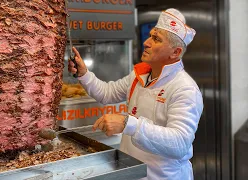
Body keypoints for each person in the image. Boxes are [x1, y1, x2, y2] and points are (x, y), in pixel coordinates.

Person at [68, 8, 203, 180]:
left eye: (156, 39)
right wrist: (84, 74)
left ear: (175, 52)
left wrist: (128, 124)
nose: (146, 42)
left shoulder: (184, 88)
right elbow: (107, 93)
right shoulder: (140, 76)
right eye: (150, 36)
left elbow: (179, 143)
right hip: (132, 172)